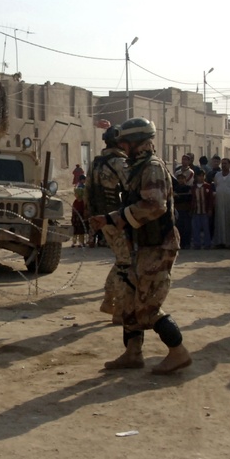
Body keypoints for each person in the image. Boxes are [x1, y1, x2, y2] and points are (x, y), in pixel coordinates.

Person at [89, 117, 192, 375]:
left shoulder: (152, 168)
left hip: (158, 246)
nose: (122, 146)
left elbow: (155, 206)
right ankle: (133, 353)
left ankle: (178, 352)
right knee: (128, 302)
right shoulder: (138, 167)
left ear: (137, 142)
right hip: (142, 243)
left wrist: (118, 218)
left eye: (125, 141)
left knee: (146, 307)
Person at [87, 126, 129, 323]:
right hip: (117, 219)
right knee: (126, 263)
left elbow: (88, 192)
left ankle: (109, 300)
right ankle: (117, 307)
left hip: (102, 218)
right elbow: (132, 189)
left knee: (122, 260)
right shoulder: (120, 163)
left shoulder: (96, 163)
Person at [212, 157, 230, 249]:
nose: (223, 165)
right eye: (222, 163)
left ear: (229, 164)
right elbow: (216, 186)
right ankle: (220, 242)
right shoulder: (217, 175)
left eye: (225, 163)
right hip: (220, 201)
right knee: (220, 220)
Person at [173, 153, 195, 250]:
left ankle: (187, 243)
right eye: (183, 159)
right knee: (179, 227)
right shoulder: (177, 172)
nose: (184, 161)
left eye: (186, 160)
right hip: (178, 208)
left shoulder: (191, 172)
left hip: (186, 207)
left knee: (187, 227)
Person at [189, 168, 213, 250]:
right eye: (199, 176)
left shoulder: (207, 186)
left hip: (205, 211)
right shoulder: (193, 187)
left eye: (203, 176)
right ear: (196, 177)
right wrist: (191, 209)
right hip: (196, 211)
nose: (201, 178)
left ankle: (207, 244)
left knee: (206, 228)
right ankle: (197, 244)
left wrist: (210, 209)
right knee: (196, 229)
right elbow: (192, 199)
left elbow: (210, 199)